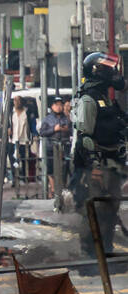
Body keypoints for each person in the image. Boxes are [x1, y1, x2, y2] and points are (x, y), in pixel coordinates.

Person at [71, 52, 128, 259]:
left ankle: (107, 252)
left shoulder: (106, 98)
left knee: (111, 210)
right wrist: (94, 166)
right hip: (96, 166)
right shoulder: (89, 99)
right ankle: (90, 257)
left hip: (112, 164)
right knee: (95, 211)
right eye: (107, 68)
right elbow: (85, 136)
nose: (112, 72)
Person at [38, 96, 72, 195]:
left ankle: (63, 188)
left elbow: (71, 130)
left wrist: (66, 129)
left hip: (64, 147)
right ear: (52, 106)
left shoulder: (66, 118)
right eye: (56, 105)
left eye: (60, 105)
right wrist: (54, 129)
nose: (59, 107)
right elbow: (42, 132)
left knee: (64, 168)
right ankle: (53, 189)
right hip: (51, 147)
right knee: (51, 169)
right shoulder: (47, 119)